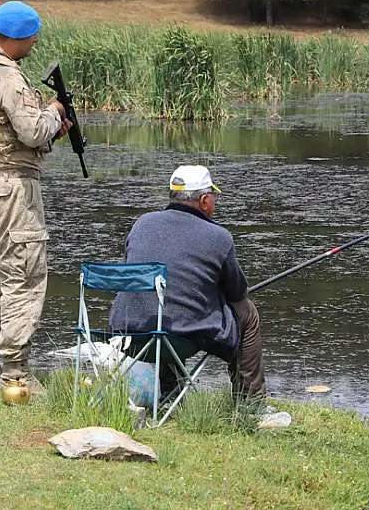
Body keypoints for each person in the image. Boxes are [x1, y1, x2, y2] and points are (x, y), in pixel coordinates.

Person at [0, 1, 72, 387]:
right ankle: (15, 372)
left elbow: (4, 130)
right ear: (15, 37)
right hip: (14, 190)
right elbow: (29, 131)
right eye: (31, 35)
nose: (36, 41)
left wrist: (47, 126)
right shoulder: (8, 76)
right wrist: (56, 112)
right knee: (23, 275)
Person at [109, 165, 267, 401]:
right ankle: (251, 401)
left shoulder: (142, 223)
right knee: (247, 312)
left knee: (165, 307)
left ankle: (171, 392)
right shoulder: (219, 236)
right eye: (213, 196)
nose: (214, 201)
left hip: (126, 334)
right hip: (177, 338)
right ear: (204, 200)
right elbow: (237, 292)